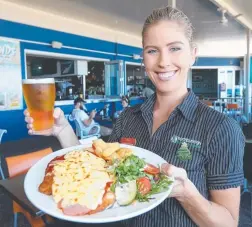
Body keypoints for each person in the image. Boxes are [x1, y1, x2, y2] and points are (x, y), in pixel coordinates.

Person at [24, 6, 244, 227]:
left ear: (192, 54)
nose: (163, 62)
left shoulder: (221, 128)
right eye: (152, 50)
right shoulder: (129, 117)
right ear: (143, 58)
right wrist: (63, 130)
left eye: (175, 48)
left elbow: (228, 222)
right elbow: (97, 165)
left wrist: (187, 195)